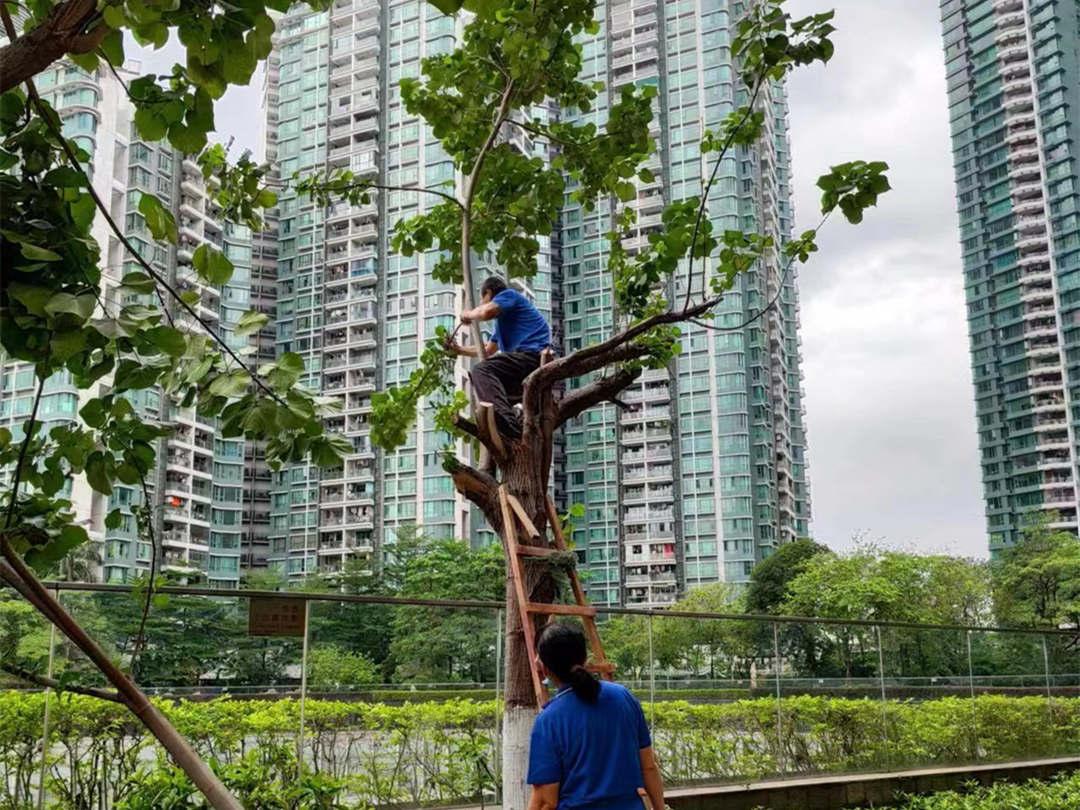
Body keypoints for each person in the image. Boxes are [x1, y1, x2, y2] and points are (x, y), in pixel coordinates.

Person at [527, 623, 665, 810]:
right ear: (585, 658)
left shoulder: (549, 721)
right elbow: (648, 767)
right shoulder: (623, 697)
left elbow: (545, 801)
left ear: (543, 668)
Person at [448, 276, 551, 440]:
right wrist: (459, 350)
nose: (483, 303)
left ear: (489, 293)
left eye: (483, 298)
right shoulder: (503, 323)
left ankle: (508, 422)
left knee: (481, 370)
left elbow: (487, 311)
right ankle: (510, 422)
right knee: (488, 387)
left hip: (530, 358)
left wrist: (468, 313)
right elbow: (488, 350)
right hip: (520, 369)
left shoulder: (509, 295)